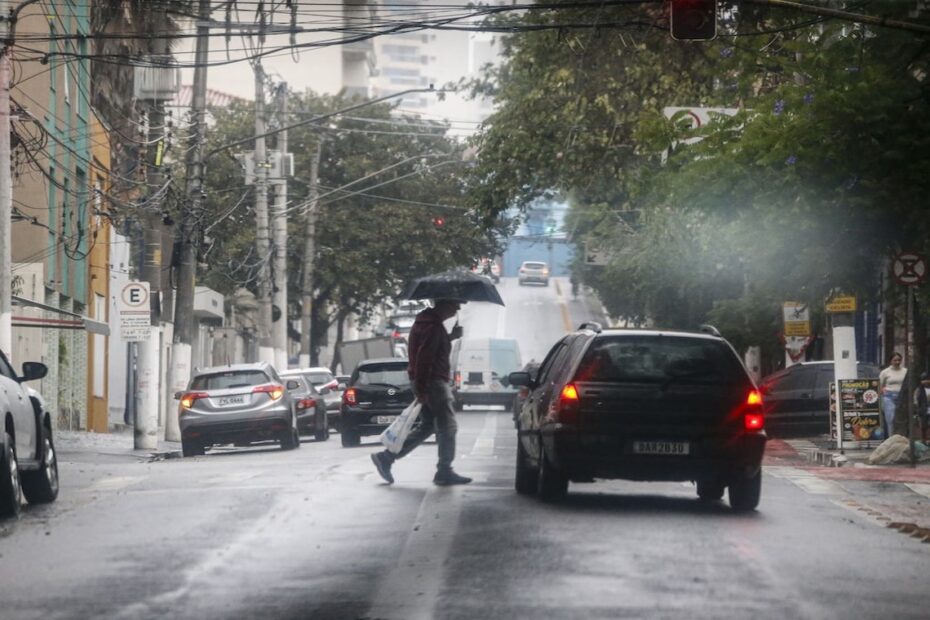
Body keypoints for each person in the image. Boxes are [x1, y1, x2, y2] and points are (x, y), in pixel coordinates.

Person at [371, 298, 472, 486]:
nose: (457, 307)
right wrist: (422, 387)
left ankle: (387, 457)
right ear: (444, 304)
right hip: (434, 383)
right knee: (448, 427)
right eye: (455, 303)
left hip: (426, 381)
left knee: (428, 426)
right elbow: (424, 358)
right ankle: (444, 470)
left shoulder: (427, 324)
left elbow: (430, 350)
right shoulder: (433, 326)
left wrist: (450, 337)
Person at [879, 352, 907, 437]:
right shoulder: (885, 372)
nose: (897, 362)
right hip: (889, 397)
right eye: (895, 360)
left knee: (902, 418)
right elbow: (880, 385)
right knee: (891, 418)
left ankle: (902, 437)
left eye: (899, 360)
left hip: (902, 396)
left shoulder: (905, 371)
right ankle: (891, 437)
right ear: (891, 361)